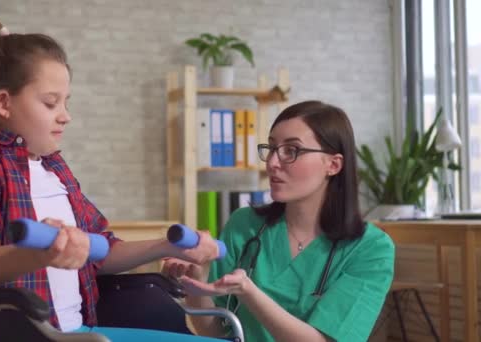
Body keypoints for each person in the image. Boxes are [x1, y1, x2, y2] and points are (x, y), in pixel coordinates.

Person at [0, 18, 223, 341]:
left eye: (66, 102)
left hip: (80, 331)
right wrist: (40, 254)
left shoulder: (54, 167)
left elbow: (99, 248)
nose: (65, 115)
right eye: (51, 103)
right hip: (27, 335)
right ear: (4, 103)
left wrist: (167, 245)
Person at [163, 101, 395, 341]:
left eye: (291, 150)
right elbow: (215, 332)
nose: (273, 162)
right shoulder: (244, 225)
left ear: (333, 165)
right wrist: (197, 279)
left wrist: (248, 291)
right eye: (272, 148)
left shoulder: (371, 249)